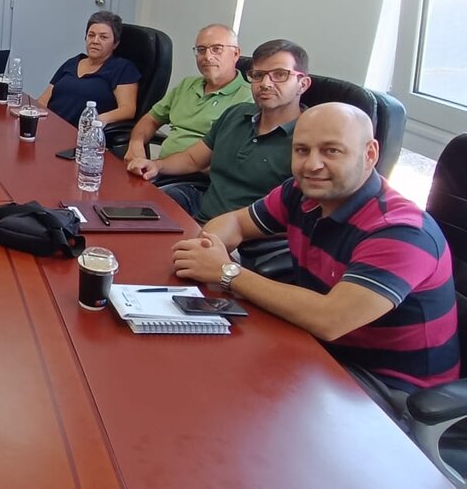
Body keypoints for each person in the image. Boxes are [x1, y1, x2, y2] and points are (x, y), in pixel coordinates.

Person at [172, 102, 458, 404]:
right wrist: (209, 247)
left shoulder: (401, 231)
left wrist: (227, 272)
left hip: (390, 389)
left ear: (370, 154)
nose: (312, 164)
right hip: (318, 348)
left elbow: (331, 319)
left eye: (331, 151)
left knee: (226, 399)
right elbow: (236, 222)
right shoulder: (300, 192)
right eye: (302, 150)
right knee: (195, 369)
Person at [126, 39, 312, 224]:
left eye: (280, 75)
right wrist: (157, 165)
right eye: (258, 75)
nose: (265, 83)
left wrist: (225, 233)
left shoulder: (310, 139)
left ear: (303, 84)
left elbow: (298, 216)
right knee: (128, 215)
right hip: (200, 212)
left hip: (248, 235)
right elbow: (192, 159)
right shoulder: (236, 114)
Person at [123, 24, 252, 161]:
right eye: (201, 50)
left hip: (195, 172)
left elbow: (228, 158)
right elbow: (152, 119)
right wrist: (136, 144)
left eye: (217, 49)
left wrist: (159, 166)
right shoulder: (187, 85)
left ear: (235, 54)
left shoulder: (248, 98)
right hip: (159, 168)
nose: (207, 57)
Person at [36, 11, 140, 125]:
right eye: (91, 35)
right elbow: (43, 100)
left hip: (82, 131)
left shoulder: (122, 68)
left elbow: (127, 109)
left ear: (115, 43)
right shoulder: (72, 63)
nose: (95, 41)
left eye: (103, 37)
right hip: (48, 125)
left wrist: (97, 120)